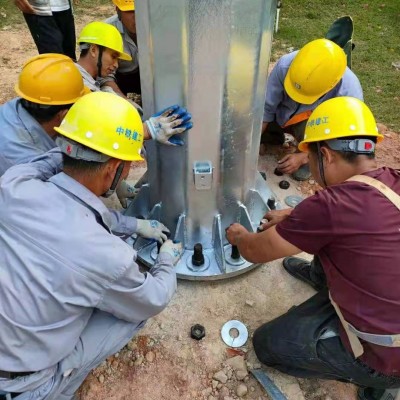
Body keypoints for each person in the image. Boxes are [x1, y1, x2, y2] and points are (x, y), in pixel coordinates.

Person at [0, 91, 183, 400]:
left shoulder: (13, 186)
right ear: (113, 170)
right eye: (127, 163)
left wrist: (122, 136)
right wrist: (166, 260)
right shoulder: (110, 256)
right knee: (132, 308)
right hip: (24, 385)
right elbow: (153, 299)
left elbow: (51, 166)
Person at [227, 97, 400, 400]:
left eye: (309, 157)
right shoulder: (392, 182)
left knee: (268, 345)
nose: (309, 165)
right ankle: (323, 281)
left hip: (387, 355)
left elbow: (254, 251)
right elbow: (355, 219)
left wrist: (239, 236)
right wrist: (295, 217)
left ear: (327, 156)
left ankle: (376, 382)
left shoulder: (330, 207)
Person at [0, 53, 192, 207]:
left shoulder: (29, 104)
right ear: (64, 113)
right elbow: (69, 195)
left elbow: (80, 141)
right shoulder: (20, 159)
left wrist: (142, 130)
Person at [261, 38, 363, 181]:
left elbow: (342, 140)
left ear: (332, 86)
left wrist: (304, 157)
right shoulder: (285, 65)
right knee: (255, 118)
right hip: (281, 114)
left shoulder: (349, 94)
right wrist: (252, 142)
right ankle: (273, 138)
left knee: (301, 171)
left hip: (313, 126)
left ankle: (311, 155)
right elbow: (266, 108)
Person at [102, 0, 141, 96]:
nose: (137, 16)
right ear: (118, 11)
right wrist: (125, 101)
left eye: (141, 10)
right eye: (130, 11)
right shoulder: (108, 30)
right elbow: (105, 76)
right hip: (121, 77)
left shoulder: (158, 26)